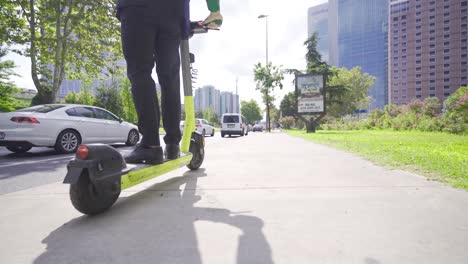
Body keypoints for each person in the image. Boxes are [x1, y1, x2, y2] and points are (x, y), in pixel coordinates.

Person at [116, 0, 222, 164]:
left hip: (137, 8)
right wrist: (214, 10)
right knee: (169, 77)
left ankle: (150, 144)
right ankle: (173, 143)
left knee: (140, 73)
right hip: (174, 11)